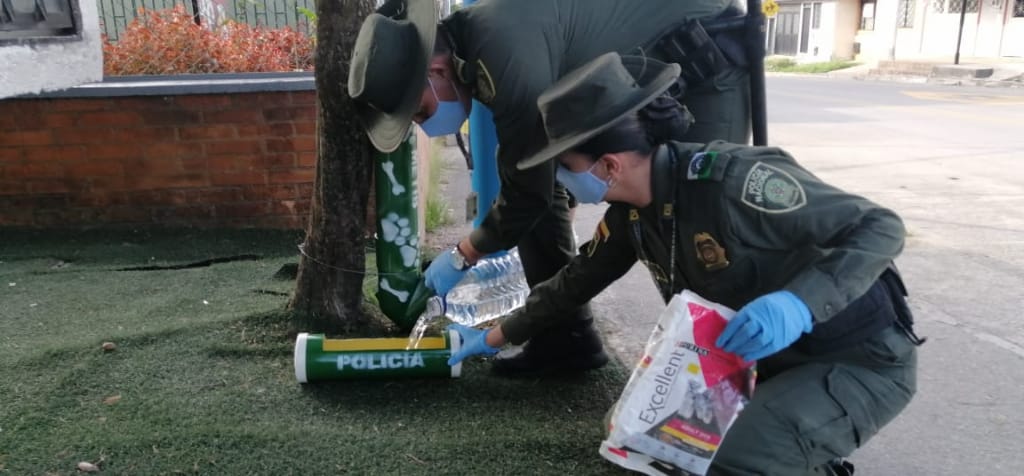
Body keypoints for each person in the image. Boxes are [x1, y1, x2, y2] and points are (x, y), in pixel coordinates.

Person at [446, 52, 923, 475]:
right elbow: (574, 282)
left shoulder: (735, 181)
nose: (565, 183)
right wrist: (492, 338)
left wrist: (797, 304)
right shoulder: (633, 213)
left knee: (724, 458)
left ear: (609, 165)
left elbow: (880, 226)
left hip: (858, 360)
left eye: (567, 167)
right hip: (767, 365)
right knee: (631, 434)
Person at [347, 0, 755, 376]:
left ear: (436, 72)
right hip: (645, 74)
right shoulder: (472, 46)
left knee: (690, 210)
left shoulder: (502, 54)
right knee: (552, 199)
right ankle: (565, 341)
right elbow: (531, 177)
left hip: (704, 64)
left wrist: (464, 254)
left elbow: (528, 188)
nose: (424, 125)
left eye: (420, 111)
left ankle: (722, 376)